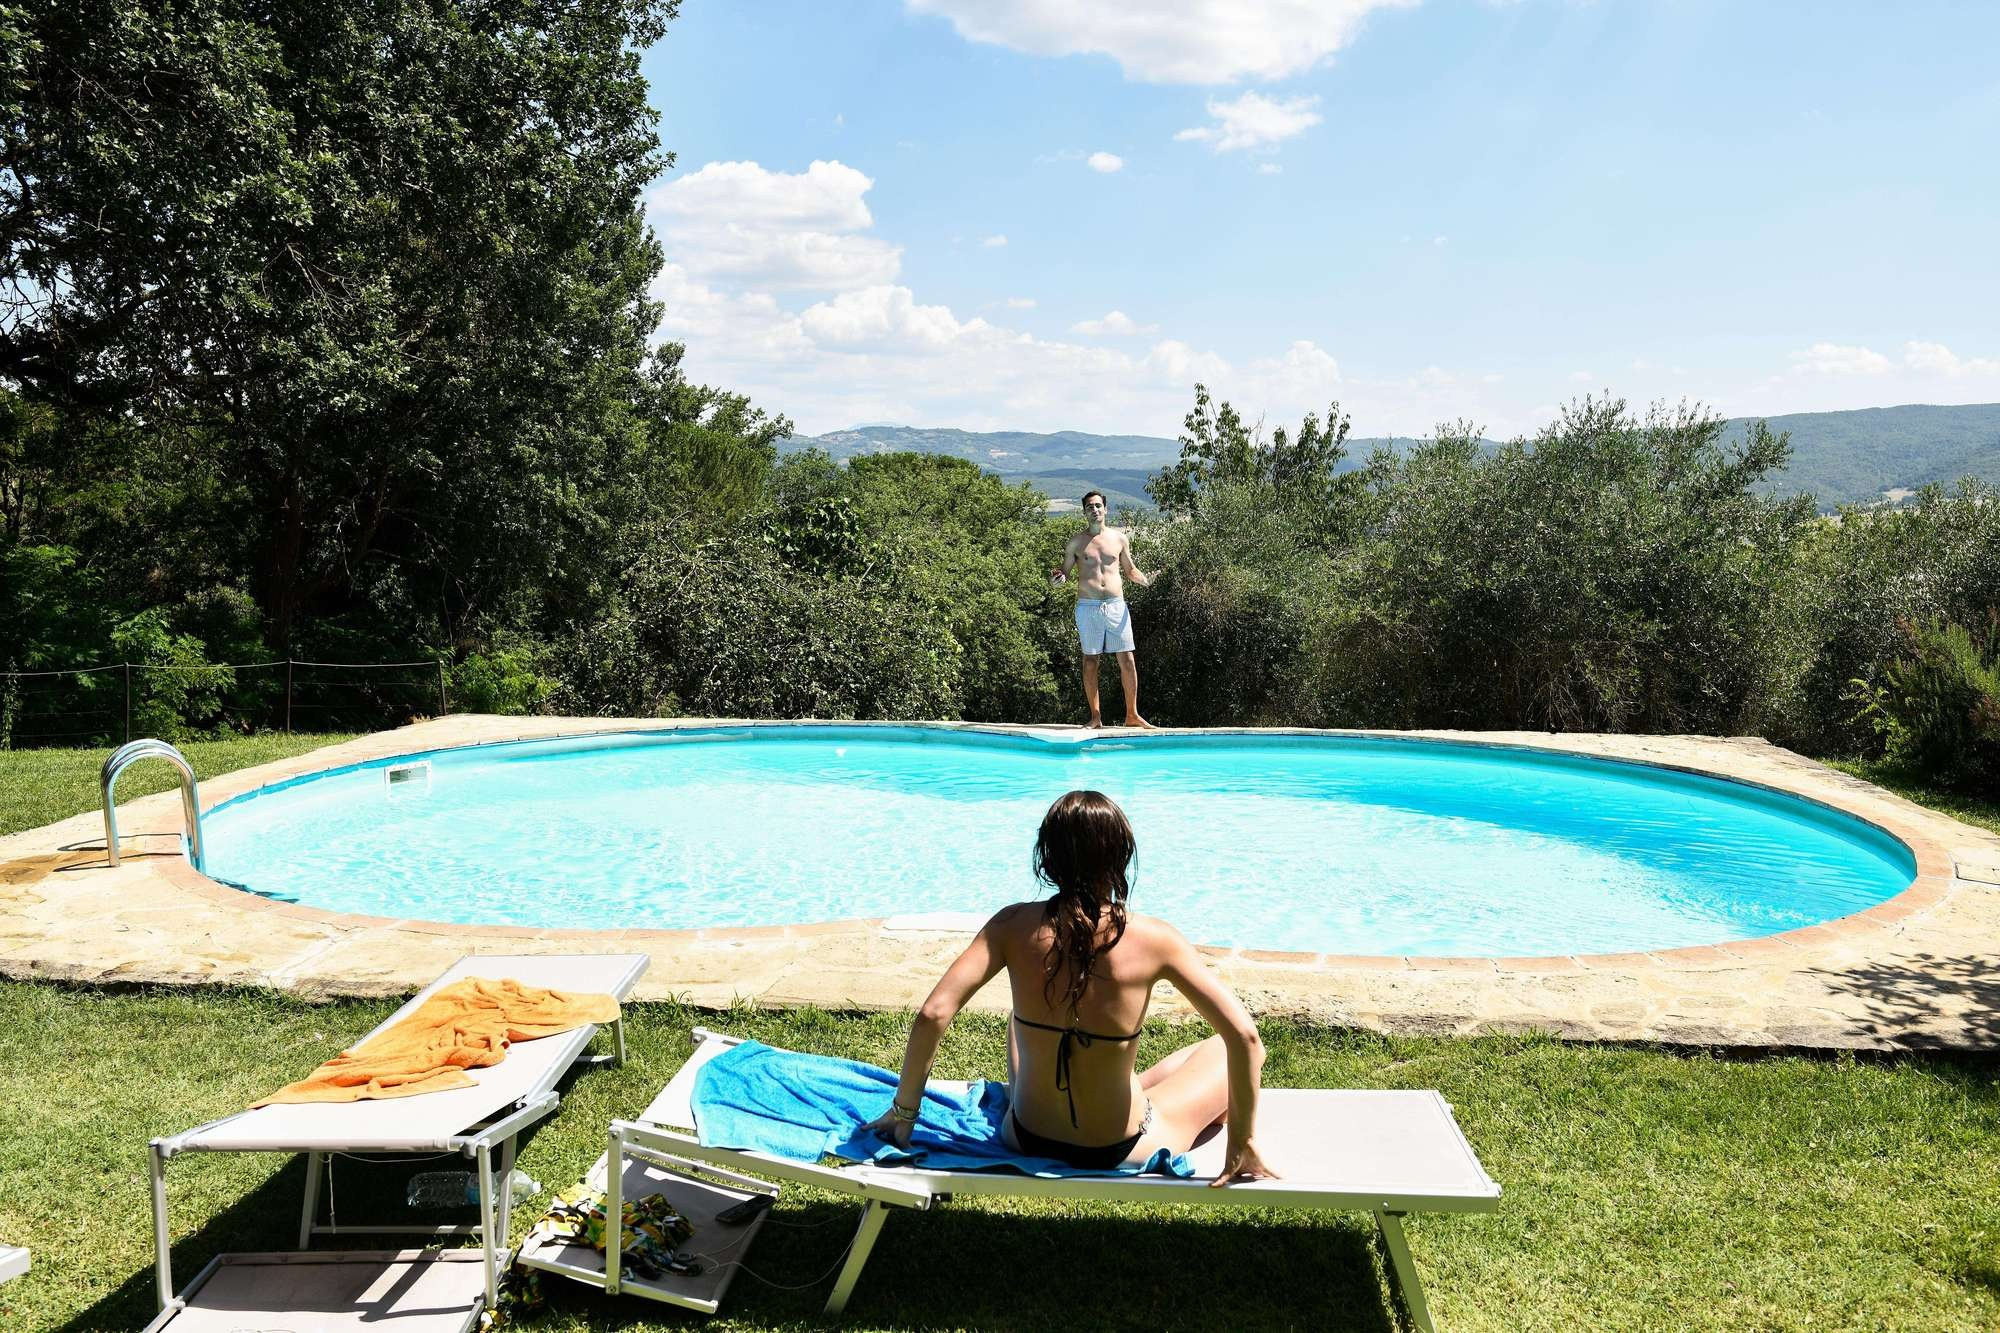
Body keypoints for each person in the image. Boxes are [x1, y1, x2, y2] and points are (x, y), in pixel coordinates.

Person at [863, 790, 1276, 1185]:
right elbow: (1245, 1037)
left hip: (1024, 1134)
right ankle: (1130, 1093)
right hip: (1118, 1147)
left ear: (1048, 856)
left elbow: (933, 1014)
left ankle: (1118, 1087)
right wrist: (1243, 1142)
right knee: (1222, 1049)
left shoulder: (1010, 926)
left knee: (1019, 1021)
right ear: (1120, 857)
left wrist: (905, 1112)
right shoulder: (1155, 939)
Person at [1051, 490, 1154, 728]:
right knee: (1090, 660)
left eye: (1098, 506)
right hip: (1088, 606)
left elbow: (1130, 570)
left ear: (1105, 509)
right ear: (1084, 512)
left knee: (1127, 658)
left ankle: (1132, 715)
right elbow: (1063, 573)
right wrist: (1056, 580)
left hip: (1117, 606)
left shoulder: (1119, 539)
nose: (1094, 510)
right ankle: (1095, 717)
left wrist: (1145, 579)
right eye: (1090, 507)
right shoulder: (1076, 542)